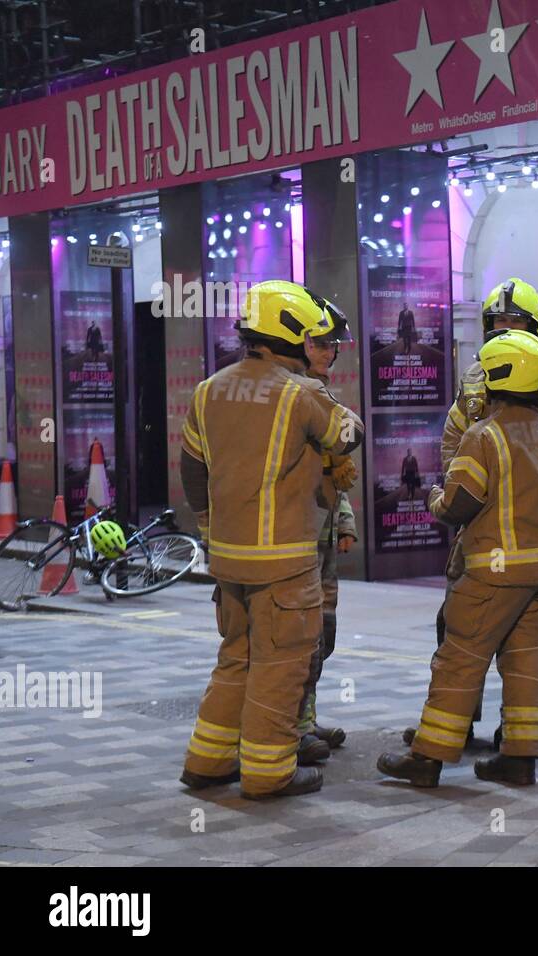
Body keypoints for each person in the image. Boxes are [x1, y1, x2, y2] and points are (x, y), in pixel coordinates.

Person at [178, 280, 362, 799]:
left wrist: (211, 530)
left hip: (229, 559)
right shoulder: (299, 393)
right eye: (310, 338)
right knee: (281, 664)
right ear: (290, 336)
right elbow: (349, 435)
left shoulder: (208, 390)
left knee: (237, 655)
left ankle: (209, 759)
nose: (315, 348)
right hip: (285, 561)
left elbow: (192, 471)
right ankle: (268, 771)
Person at [377, 330, 538, 788]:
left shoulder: (482, 437)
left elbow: (459, 504)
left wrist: (433, 499)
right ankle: (520, 758)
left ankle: (428, 758)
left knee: (460, 660)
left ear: (495, 380)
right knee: (526, 665)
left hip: (492, 573)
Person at [428, 278, 538, 742]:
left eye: (514, 322)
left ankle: (468, 739)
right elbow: (454, 438)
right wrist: (465, 480)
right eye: (497, 323)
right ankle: (471, 726)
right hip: (477, 517)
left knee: (488, 643)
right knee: (459, 630)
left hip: (517, 524)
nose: (504, 330)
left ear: (534, 326)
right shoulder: (476, 373)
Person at [295, 329, 359, 762]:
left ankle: (307, 717)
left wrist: (346, 521)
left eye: (332, 346)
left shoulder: (319, 395)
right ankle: (291, 725)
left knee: (323, 635)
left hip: (324, 536)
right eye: (320, 344)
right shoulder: (295, 396)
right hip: (297, 539)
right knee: (298, 638)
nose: (329, 353)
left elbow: (336, 472)